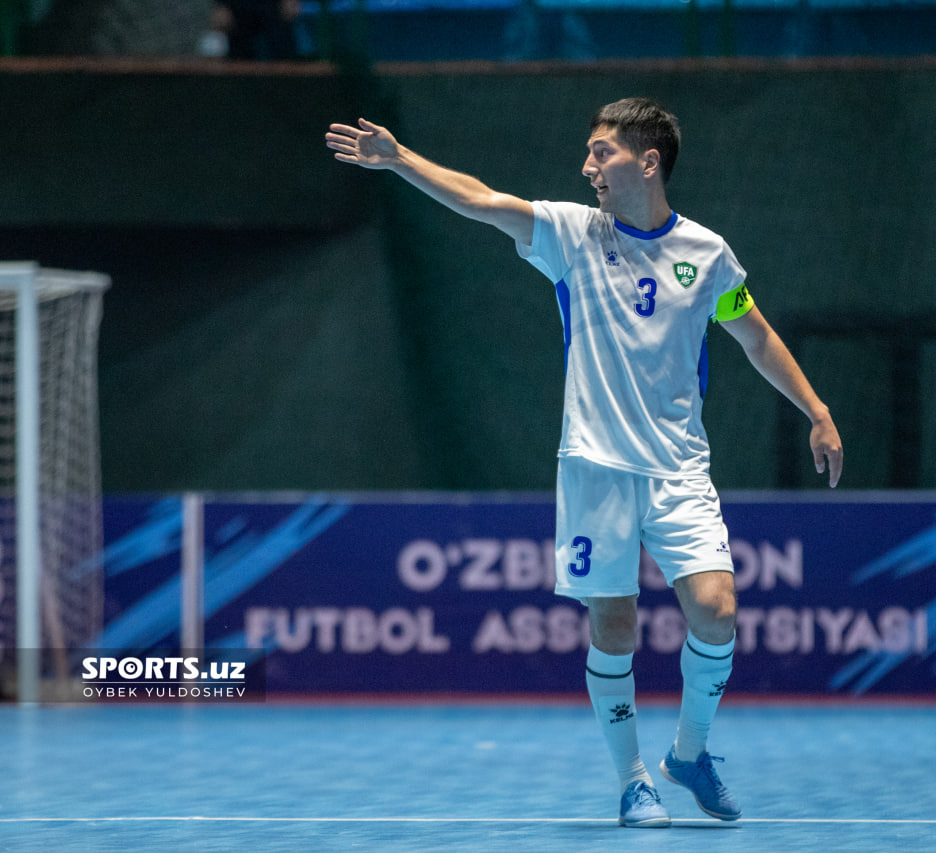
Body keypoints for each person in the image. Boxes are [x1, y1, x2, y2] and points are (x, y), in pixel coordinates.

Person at [325, 98, 843, 828]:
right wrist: (401, 160)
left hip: (679, 468)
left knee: (717, 611)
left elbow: (754, 337)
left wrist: (817, 409)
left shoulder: (707, 251)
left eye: (602, 153)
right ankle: (634, 779)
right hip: (595, 465)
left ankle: (690, 754)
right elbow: (482, 201)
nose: (587, 166)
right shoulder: (570, 233)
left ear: (648, 161)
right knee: (615, 625)